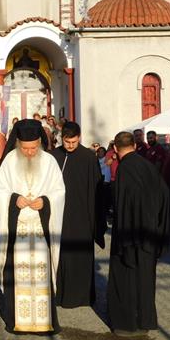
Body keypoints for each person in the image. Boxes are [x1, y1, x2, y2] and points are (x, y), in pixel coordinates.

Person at [0, 119, 66, 334]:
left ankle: (44, 321)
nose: (30, 153)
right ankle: (17, 321)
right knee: (17, 275)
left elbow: (59, 192)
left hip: (41, 228)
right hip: (18, 228)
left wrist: (46, 202)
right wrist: (14, 199)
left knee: (41, 274)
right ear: (18, 144)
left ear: (40, 143)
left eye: (33, 148)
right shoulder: (9, 161)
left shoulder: (49, 161)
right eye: (25, 148)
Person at [108, 131, 169, 336]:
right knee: (146, 278)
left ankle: (127, 323)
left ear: (115, 148)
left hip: (130, 234)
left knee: (128, 277)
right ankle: (146, 321)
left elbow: (125, 204)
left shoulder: (124, 169)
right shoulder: (148, 166)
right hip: (149, 232)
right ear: (134, 145)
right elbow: (164, 194)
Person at [50, 122, 107, 308]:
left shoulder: (89, 157)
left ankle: (82, 296)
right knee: (61, 255)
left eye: (74, 142)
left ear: (79, 137)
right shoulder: (54, 156)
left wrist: (96, 218)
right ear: (62, 139)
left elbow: (97, 189)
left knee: (81, 255)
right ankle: (60, 294)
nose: (70, 146)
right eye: (67, 142)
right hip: (60, 215)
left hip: (83, 215)